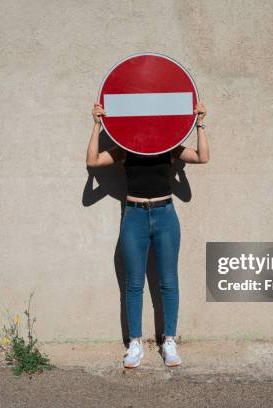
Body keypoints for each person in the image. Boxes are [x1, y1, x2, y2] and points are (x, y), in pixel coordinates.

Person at [86, 101, 210, 368]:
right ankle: (135, 343)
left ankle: (169, 341)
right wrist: (96, 125)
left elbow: (202, 157)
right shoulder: (126, 148)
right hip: (134, 215)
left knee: (168, 282)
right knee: (133, 284)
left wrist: (199, 123)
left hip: (165, 214)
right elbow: (93, 161)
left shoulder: (170, 147)